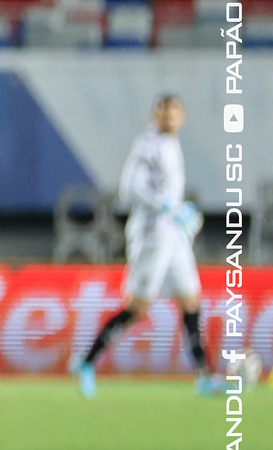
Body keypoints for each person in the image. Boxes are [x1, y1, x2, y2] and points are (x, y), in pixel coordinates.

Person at [74, 95, 219, 398]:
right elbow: (130, 188)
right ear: (155, 116)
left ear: (182, 117)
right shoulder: (147, 146)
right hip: (151, 235)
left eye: (175, 113)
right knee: (138, 309)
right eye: (164, 113)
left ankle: (204, 376)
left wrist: (181, 213)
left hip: (173, 236)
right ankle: (86, 362)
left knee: (191, 301)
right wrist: (168, 207)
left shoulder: (172, 145)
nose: (169, 119)